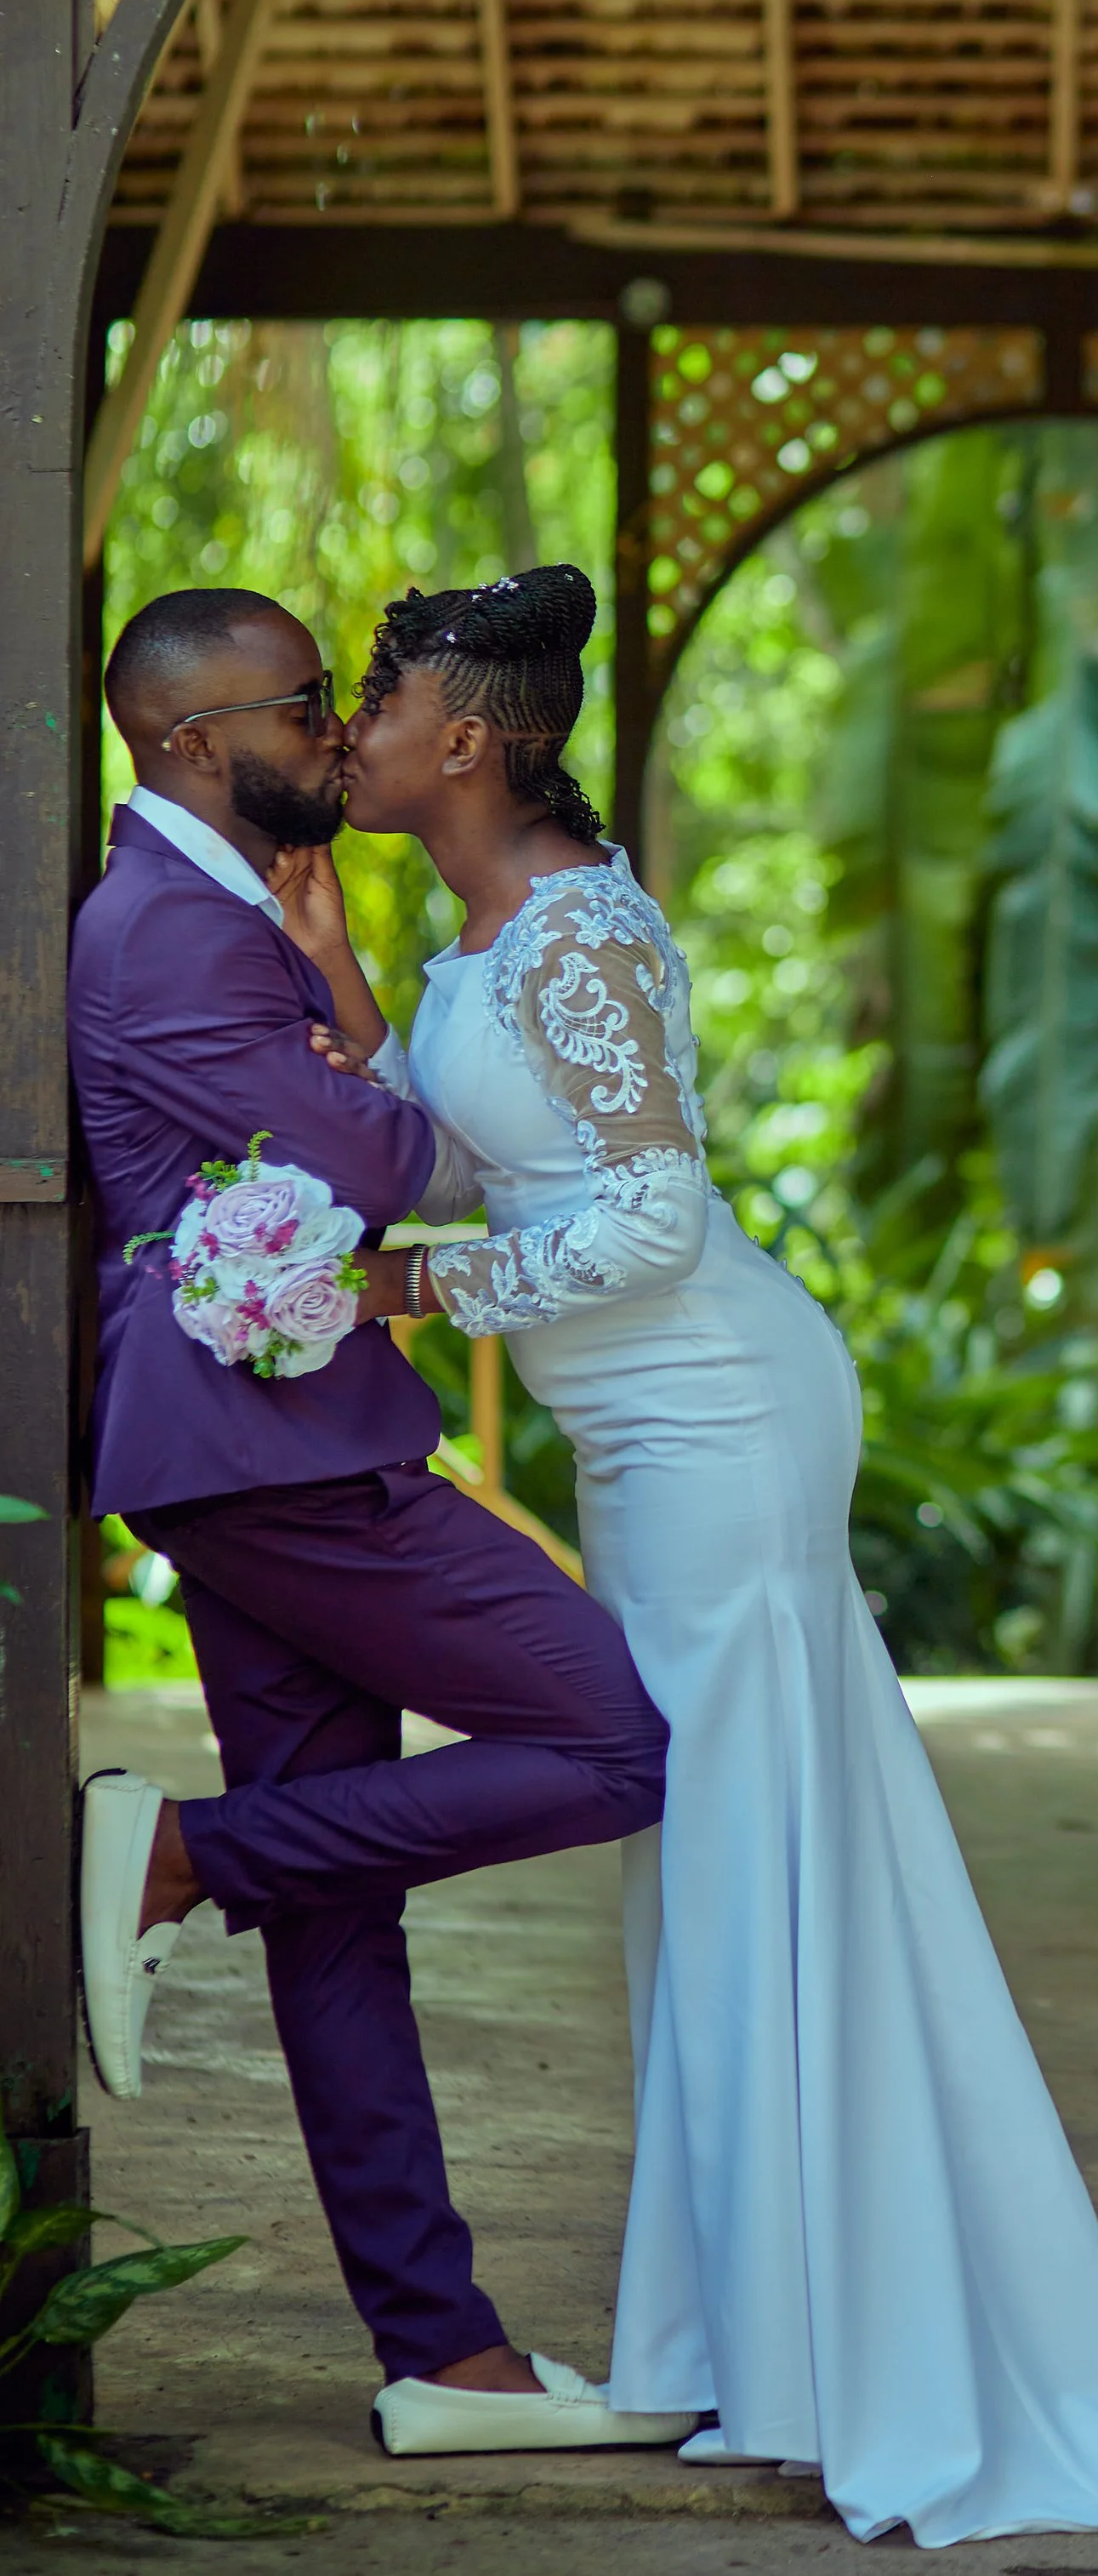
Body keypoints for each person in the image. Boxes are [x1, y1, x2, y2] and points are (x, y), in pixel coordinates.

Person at [297, 559, 1098, 2545]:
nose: (344, 737)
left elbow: (643, 1223)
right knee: (709, 1857)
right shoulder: (479, 940)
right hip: (640, 1433)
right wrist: (349, 999)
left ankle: (830, 2338)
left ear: (462, 736)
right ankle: (757, 2337)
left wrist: (402, 1298)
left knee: (739, 1836)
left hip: (717, 1411)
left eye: (370, 705)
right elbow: (471, 1148)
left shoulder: (582, 936)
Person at [67, 585, 695, 2462]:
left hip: (256, 1443)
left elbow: (375, 1128)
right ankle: (177, 1854)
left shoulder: (224, 910)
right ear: (194, 742)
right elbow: (378, 1157)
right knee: (610, 1734)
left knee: (336, 1908)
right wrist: (374, 1080)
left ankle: (447, 2356)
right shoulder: (167, 932)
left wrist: (345, 1009)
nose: (333, 733)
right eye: (298, 708)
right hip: (280, 1454)